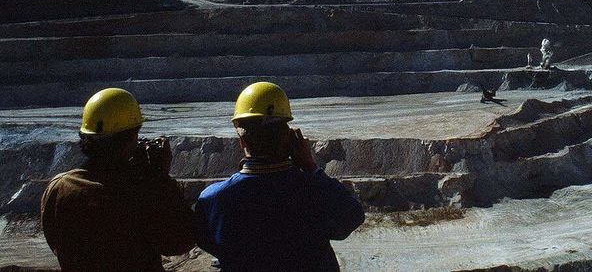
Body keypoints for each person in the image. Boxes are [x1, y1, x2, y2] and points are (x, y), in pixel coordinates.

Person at [194, 82, 364, 272]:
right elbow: (352, 216)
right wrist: (311, 167)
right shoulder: (314, 191)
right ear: (289, 138)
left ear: (242, 141)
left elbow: (206, 241)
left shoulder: (214, 199)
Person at [40, 87, 195, 272]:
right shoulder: (137, 191)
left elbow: (56, 242)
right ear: (130, 140)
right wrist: (160, 178)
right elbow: (180, 242)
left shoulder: (59, 188)